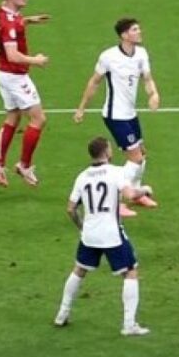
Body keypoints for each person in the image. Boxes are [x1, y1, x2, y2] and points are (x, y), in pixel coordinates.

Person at [53, 137, 152, 335]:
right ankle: (129, 324)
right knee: (130, 272)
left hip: (90, 234)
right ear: (106, 152)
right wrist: (145, 190)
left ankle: (62, 314)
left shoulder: (82, 177)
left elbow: (71, 209)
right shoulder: (115, 172)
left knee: (79, 270)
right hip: (111, 233)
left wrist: (82, 227)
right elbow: (130, 195)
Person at [73, 17, 160, 217]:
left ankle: (136, 194)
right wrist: (81, 108)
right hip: (115, 115)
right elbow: (94, 82)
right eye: (135, 29)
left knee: (141, 154)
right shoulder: (108, 57)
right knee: (135, 158)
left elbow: (147, 79)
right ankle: (117, 201)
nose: (139, 32)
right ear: (124, 35)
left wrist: (153, 94)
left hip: (130, 114)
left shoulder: (141, 53)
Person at [0, 0, 51, 188]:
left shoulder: (1, 11)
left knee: (13, 116)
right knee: (38, 119)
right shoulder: (10, 23)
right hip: (15, 76)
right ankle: (24, 165)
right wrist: (36, 61)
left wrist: (28, 20)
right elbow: (13, 55)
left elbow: (11, 22)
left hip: (3, 74)